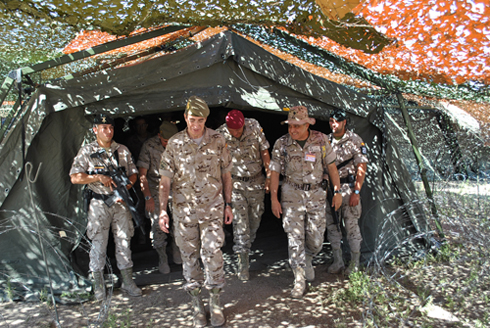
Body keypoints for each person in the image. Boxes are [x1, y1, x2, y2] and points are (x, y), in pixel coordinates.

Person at [158, 96, 233, 327]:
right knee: (189, 258)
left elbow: (227, 174)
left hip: (212, 210)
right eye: (192, 119)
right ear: (185, 117)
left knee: (213, 254)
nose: (196, 125)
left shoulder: (218, 140)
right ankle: (197, 305)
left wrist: (229, 204)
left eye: (201, 120)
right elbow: (165, 180)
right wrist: (163, 211)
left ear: (206, 119)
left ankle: (216, 301)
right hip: (184, 213)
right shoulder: (174, 143)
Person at [269, 105, 342, 299]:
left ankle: (308, 257)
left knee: (316, 239)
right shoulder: (281, 144)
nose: (293, 130)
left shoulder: (321, 139)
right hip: (291, 193)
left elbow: (332, 168)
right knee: (294, 238)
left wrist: (337, 191)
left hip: (316, 194)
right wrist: (274, 199)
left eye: (297, 126)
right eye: (290, 126)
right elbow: (274, 173)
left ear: (307, 124)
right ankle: (299, 278)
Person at [69, 113, 142, 301]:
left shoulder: (122, 150)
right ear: (95, 130)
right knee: (98, 244)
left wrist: (126, 187)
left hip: (120, 203)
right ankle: (99, 286)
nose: (108, 131)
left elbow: (134, 173)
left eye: (110, 128)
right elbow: (75, 177)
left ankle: (127, 281)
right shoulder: (87, 151)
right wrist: (97, 177)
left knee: (124, 241)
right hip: (99, 203)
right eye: (104, 128)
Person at [217, 109, 271, 281]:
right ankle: (243, 263)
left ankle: (246, 245)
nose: (236, 133)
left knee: (255, 221)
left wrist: (269, 176)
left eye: (238, 130)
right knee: (241, 225)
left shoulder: (254, 126)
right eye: (232, 130)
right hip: (236, 185)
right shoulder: (220, 135)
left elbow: (264, 152)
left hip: (256, 182)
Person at [326, 108, 368, 275]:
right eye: (330, 121)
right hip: (330, 191)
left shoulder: (355, 140)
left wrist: (356, 192)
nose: (333, 124)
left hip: (348, 189)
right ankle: (338, 261)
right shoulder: (325, 141)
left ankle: (355, 263)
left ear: (344, 122)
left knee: (351, 227)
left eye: (336, 121)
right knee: (332, 226)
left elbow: (361, 168)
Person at [137, 121, 182, 274]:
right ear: (159, 136)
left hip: (175, 188)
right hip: (155, 189)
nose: (167, 144)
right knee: (158, 225)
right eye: (165, 141)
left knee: (180, 222)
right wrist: (147, 197)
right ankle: (162, 257)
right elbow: (142, 175)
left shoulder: (181, 145)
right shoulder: (149, 146)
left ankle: (176, 249)